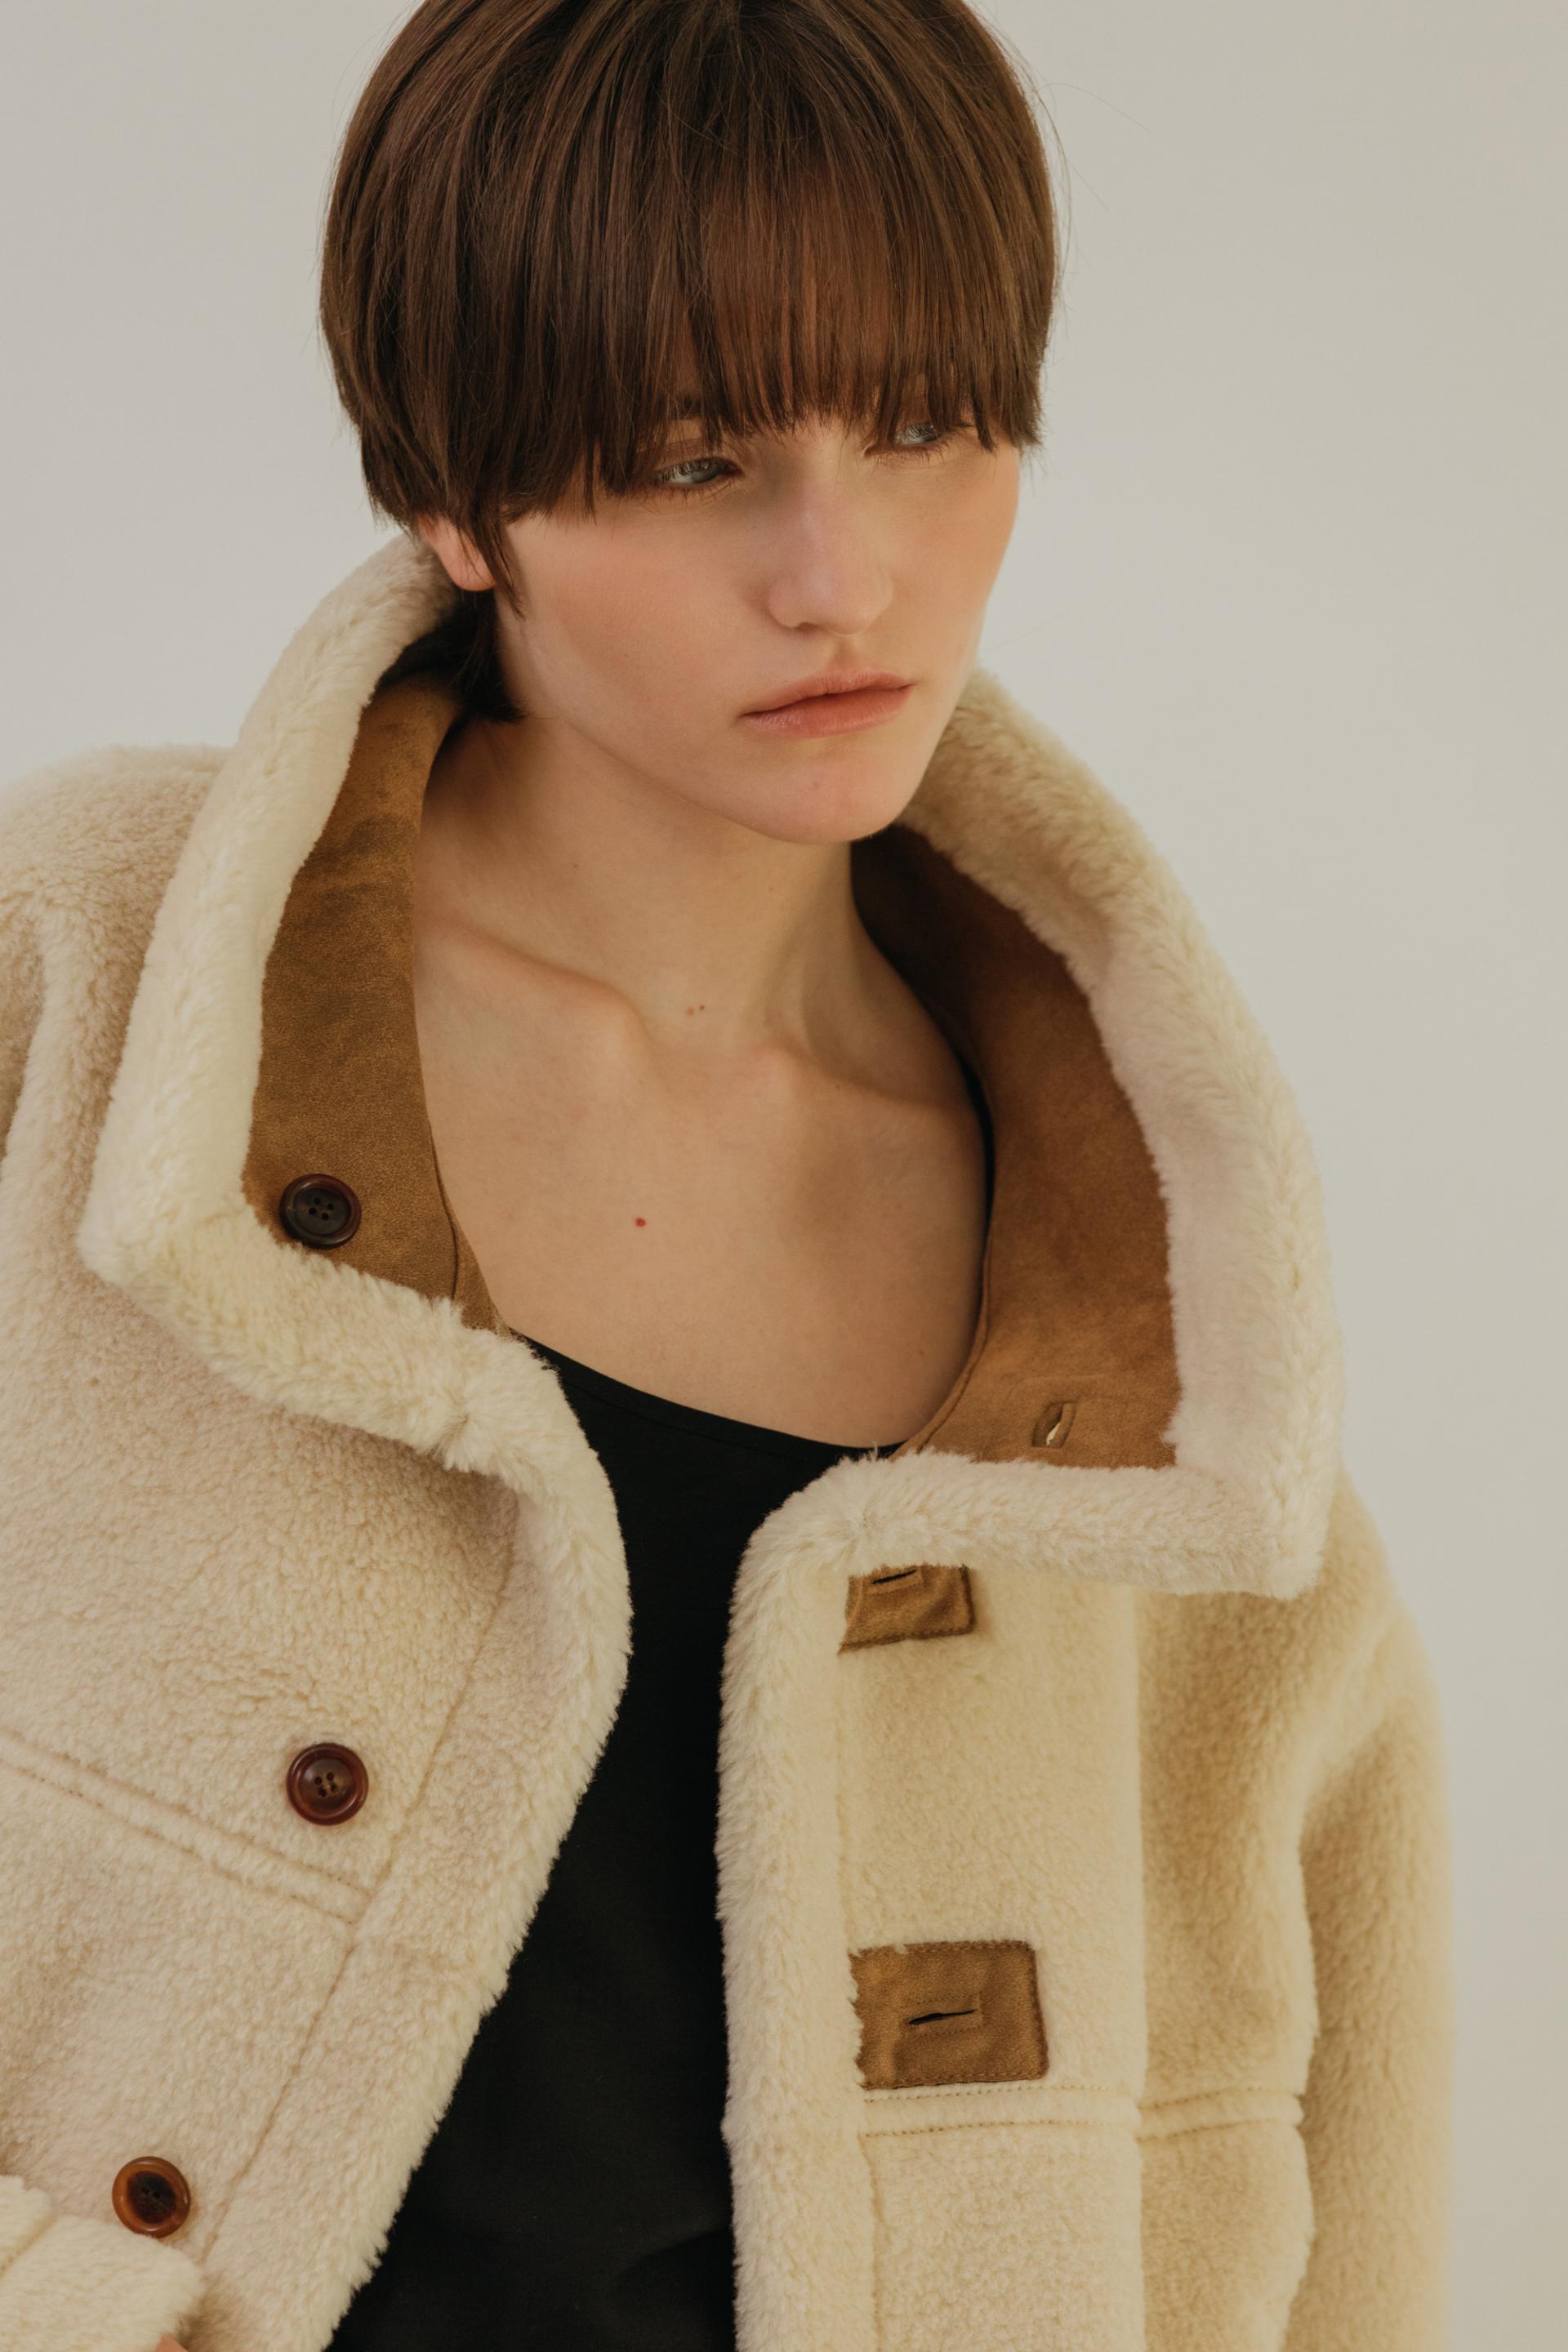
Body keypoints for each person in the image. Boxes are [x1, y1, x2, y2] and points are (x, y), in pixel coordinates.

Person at [0, 2, 1453, 2348]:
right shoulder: (92, 982)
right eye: (697, 461)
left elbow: (1339, 2242)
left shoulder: (1168, 1371)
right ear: (454, 497)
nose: (838, 575)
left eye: (927, 426)